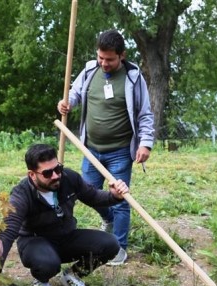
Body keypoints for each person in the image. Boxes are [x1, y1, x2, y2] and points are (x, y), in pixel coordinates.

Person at [0, 143, 129, 286]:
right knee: (48, 264)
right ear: (32, 174)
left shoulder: (69, 178)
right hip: (35, 241)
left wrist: (114, 196)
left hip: (66, 237)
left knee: (110, 244)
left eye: (57, 168)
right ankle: (42, 281)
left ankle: (72, 275)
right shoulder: (21, 194)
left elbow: (92, 196)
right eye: (47, 173)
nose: (55, 176)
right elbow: (8, 232)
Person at [57, 29, 155, 266]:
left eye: (109, 59)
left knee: (120, 199)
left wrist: (145, 143)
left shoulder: (133, 77)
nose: (104, 63)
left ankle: (118, 248)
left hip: (120, 151)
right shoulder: (91, 70)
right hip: (90, 149)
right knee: (90, 194)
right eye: (101, 57)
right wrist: (66, 102)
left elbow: (145, 114)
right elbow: (75, 93)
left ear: (122, 55)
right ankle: (107, 221)